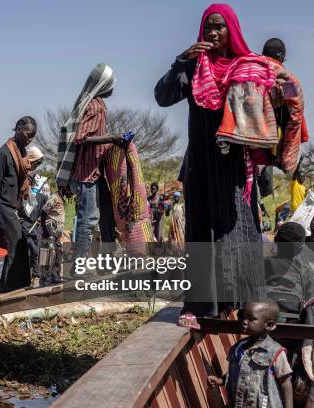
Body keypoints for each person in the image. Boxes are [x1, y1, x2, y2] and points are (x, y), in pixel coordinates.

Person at [155, 4, 270, 328]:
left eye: (220, 27)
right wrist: (181, 60)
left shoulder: (243, 66)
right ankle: (199, 307)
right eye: (209, 28)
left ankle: (246, 304)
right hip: (202, 164)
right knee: (201, 230)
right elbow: (162, 97)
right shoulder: (193, 68)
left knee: (238, 231)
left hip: (233, 164)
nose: (214, 33)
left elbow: (273, 91)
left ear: (231, 30)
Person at [55, 63, 125, 271]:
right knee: (87, 220)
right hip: (87, 173)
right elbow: (82, 137)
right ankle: (80, 267)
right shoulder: (95, 105)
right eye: (111, 84)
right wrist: (113, 137)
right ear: (103, 85)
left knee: (106, 213)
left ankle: (108, 259)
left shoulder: (95, 103)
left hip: (93, 171)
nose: (113, 88)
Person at [0, 116, 37, 292]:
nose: (30, 139)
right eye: (28, 134)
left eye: (32, 136)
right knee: (16, 243)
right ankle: (10, 286)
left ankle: (5, 285)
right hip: (0, 208)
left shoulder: (19, 154)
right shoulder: (3, 153)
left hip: (10, 207)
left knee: (8, 246)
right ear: (18, 128)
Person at [207, 301, 293, 408]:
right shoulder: (238, 347)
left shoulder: (275, 352)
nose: (244, 321)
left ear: (269, 325)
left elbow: (285, 383)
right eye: (243, 317)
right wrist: (221, 380)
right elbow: (237, 372)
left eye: (251, 319)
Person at [262, 38, 309, 174]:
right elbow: (296, 115)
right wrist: (288, 156)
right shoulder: (287, 80)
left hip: (243, 135)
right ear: (281, 57)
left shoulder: (250, 70)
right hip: (269, 140)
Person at [18, 146, 47, 281]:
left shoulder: (32, 180)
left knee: (35, 250)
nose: (35, 167)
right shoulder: (20, 174)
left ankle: (34, 275)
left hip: (32, 223)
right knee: (25, 250)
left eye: (38, 164)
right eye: (35, 163)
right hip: (21, 221)